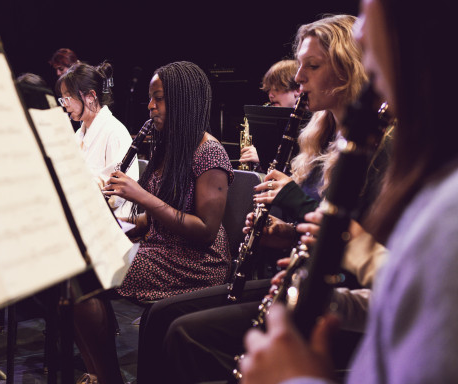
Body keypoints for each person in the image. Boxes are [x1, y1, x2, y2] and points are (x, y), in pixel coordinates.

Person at [135, 14, 379, 384]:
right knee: (159, 317)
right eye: (300, 65)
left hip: (343, 301)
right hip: (305, 280)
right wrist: (284, 232)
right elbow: (318, 230)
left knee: (185, 333)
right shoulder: (321, 141)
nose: (298, 78)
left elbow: (358, 245)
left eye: (311, 66)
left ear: (350, 70)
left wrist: (292, 198)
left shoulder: (378, 151)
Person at [238, 0, 458, 383]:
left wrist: (295, 377)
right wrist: (321, 285)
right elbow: (398, 297)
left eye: (372, 12)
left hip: (343, 305)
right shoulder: (332, 140)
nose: (360, 29)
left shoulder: (433, 190)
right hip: (336, 296)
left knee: (185, 333)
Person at [70, 61, 234, 384]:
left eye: (158, 99)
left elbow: (205, 231)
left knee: (86, 282)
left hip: (195, 263)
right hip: (160, 252)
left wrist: (141, 197)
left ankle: (107, 378)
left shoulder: (210, 154)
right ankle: (98, 375)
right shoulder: (169, 148)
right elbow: (153, 221)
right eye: (150, 98)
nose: (150, 106)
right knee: (76, 271)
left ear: (182, 101)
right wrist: (118, 231)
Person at [55, 60, 138, 217]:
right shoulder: (79, 134)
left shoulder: (115, 132)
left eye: (67, 98)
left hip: (113, 219)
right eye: (62, 99)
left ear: (91, 96)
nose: (64, 105)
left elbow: (116, 195)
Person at [239, 59, 301, 171]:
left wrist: (264, 158)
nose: (271, 95)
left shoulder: (310, 125)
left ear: (297, 89)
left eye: (277, 89)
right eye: (269, 90)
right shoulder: (271, 123)